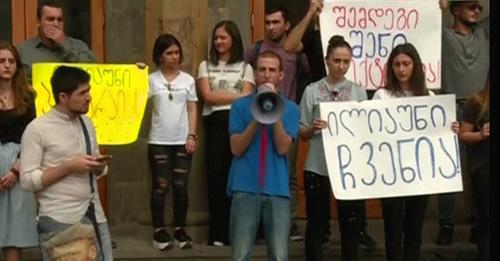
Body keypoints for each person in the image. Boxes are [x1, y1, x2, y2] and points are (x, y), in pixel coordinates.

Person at [372, 43, 460, 261]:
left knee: (414, 229)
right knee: (392, 229)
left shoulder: (428, 96)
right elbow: (371, 130)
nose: (401, 69)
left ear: (415, 66)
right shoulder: (382, 95)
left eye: (406, 64)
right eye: (396, 64)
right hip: (391, 174)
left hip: (420, 175)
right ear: (391, 67)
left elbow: (437, 131)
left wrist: (450, 129)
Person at [19, 66, 113, 260]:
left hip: (95, 215)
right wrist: (69, 166)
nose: (89, 97)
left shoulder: (87, 123)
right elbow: (27, 180)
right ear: (63, 97)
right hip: (59, 220)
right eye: (82, 93)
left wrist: (99, 167)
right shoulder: (37, 129)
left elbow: (96, 168)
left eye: (89, 91)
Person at [244, 2, 319, 241]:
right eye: (267, 23)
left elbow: (310, 70)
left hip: (286, 117)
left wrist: (313, 17)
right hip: (257, 114)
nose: (270, 27)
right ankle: (260, 225)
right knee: (259, 169)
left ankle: (290, 222)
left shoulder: (294, 51)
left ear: (287, 25)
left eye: (276, 22)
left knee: (287, 174)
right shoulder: (256, 50)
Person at [299, 35, 367, 261]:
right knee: (317, 223)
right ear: (327, 60)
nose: (341, 66)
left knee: (351, 224)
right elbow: (301, 133)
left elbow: (365, 128)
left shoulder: (358, 91)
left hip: (350, 167)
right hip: (318, 165)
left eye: (346, 61)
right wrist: (313, 127)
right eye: (337, 60)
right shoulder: (312, 90)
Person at [228, 50, 299, 260]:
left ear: (280, 76)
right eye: (262, 70)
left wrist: (273, 111)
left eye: (272, 70)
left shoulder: (291, 109)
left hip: (277, 189)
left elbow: (283, 148)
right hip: (244, 187)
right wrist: (257, 118)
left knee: (279, 255)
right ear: (255, 74)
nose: (267, 75)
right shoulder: (240, 106)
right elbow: (236, 148)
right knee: (240, 255)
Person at [197, 20, 254, 246]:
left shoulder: (245, 67)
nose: (218, 41)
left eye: (223, 37)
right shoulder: (205, 65)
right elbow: (208, 97)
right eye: (216, 37)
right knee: (216, 179)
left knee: (237, 179)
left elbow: (248, 98)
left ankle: (236, 233)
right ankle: (217, 234)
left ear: (234, 39)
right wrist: (237, 95)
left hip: (239, 124)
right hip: (215, 126)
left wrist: (225, 95)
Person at [437, 0, 489, 246]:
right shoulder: (443, 36)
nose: (476, 10)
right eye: (471, 6)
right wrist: (435, 8)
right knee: (448, 169)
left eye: (478, 7)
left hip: (482, 107)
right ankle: (446, 225)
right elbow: (421, 25)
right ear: (455, 10)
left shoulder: (484, 33)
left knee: (481, 172)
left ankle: (481, 224)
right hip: (451, 106)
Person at [147, 33, 198, 250]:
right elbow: (133, 96)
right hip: (158, 140)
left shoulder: (188, 80)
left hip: (182, 140)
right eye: (169, 53)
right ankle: (159, 230)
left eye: (177, 52)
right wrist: (136, 73)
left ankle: (179, 229)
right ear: (160, 56)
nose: (174, 57)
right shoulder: (151, 79)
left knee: (180, 186)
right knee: (160, 186)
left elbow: (192, 108)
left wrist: (192, 135)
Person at [0, 41, 38, 261]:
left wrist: (16, 169)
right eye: (2, 61)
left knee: (15, 233)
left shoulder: (28, 96)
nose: (6, 65)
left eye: (11, 61)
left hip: (19, 164)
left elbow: (33, 136)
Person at [17, 0, 97, 83]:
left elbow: (94, 72)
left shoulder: (78, 46)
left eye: (60, 20)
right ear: (38, 22)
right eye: (50, 19)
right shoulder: (23, 50)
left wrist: (64, 44)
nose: (56, 24)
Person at [458, 78, 489, 261]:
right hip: (484, 170)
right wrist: (480, 134)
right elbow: (463, 135)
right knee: (486, 221)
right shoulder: (476, 102)